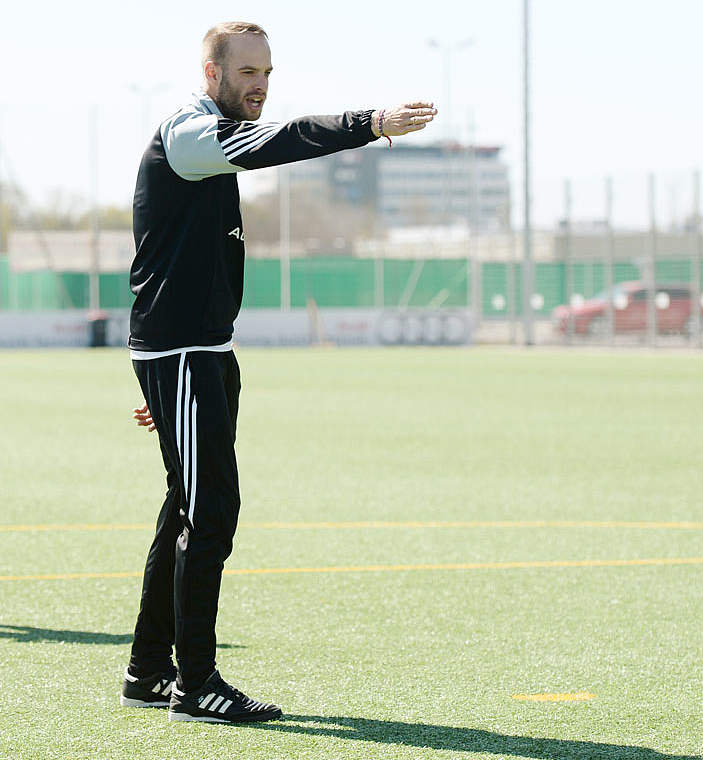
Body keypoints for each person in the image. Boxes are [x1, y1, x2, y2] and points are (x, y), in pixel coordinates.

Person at [121, 22, 435, 723]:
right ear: (211, 73)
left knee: (186, 505)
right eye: (246, 72)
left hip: (199, 353)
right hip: (183, 353)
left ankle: (148, 671)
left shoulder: (209, 133)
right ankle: (195, 684)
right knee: (210, 513)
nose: (259, 85)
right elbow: (281, 141)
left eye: (267, 72)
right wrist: (370, 123)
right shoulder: (191, 133)